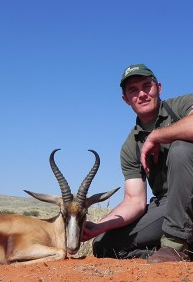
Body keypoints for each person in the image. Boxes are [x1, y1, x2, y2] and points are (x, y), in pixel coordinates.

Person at [82, 63, 193, 263]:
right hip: (169, 205)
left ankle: (175, 245)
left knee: (181, 148)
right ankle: (183, 252)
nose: (141, 94)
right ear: (126, 99)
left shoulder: (182, 105)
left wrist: (158, 135)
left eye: (146, 86)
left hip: (188, 199)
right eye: (133, 90)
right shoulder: (130, 147)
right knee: (103, 245)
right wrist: (99, 226)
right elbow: (135, 200)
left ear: (158, 88)